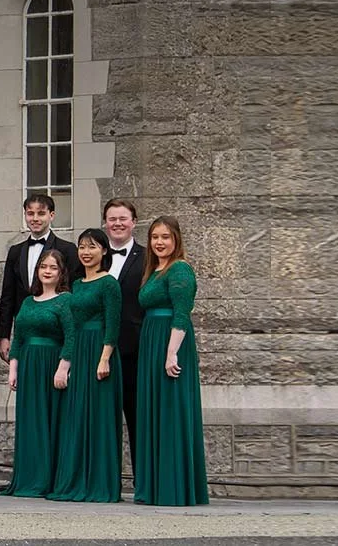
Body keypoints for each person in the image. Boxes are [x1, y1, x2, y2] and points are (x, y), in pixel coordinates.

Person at [134, 216, 208, 506]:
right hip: (151, 342)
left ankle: (173, 487)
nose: (159, 242)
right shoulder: (154, 271)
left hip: (169, 343)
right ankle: (154, 486)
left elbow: (181, 313)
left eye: (165, 237)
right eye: (155, 237)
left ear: (176, 239)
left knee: (170, 412)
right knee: (154, 411)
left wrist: (171, 352)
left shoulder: (180, 269)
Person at [50, 228, 123, 503]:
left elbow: (112, 325)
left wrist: (104, 358)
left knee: (99, 417)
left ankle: (100, 484)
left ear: (104, 251)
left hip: (99, 352)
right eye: (82, 247)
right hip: (78, 350)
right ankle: (76, 479)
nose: (86, 252)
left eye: (92, 247)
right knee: (77, 414)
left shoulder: (109, 284)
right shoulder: (77, 284)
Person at [2, 249, 77, 498]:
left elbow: (71, 336)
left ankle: (47, 478)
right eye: (43, 266)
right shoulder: (27, 301)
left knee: (50, 421)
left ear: (61, 272)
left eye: (53, 267)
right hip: (29, 366)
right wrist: (14, 369)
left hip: (50, 365)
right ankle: (28, 477)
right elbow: (19, 337)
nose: (47, 271)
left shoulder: (65, 300)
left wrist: (63, 368)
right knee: (30, 421)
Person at [0, 194, 81, 362]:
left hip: (56, 333)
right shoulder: (15, 251)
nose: (35, 218)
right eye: (30, 213)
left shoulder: (68, 249)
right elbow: (8, 296)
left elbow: (74, 293)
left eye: (41, 213)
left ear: (51, 215)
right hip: (25, 332)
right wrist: (4, 336)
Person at [102, 198, 147, 456]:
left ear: (133, 222)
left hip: (134, 349)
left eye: (122, 219)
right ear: (105, 223)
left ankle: (142, 480)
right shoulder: (92, 256)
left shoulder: (147, 258)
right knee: (101, 419)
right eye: (112, 219)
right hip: (98, 349)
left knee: (136, 416)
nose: (117, 223)